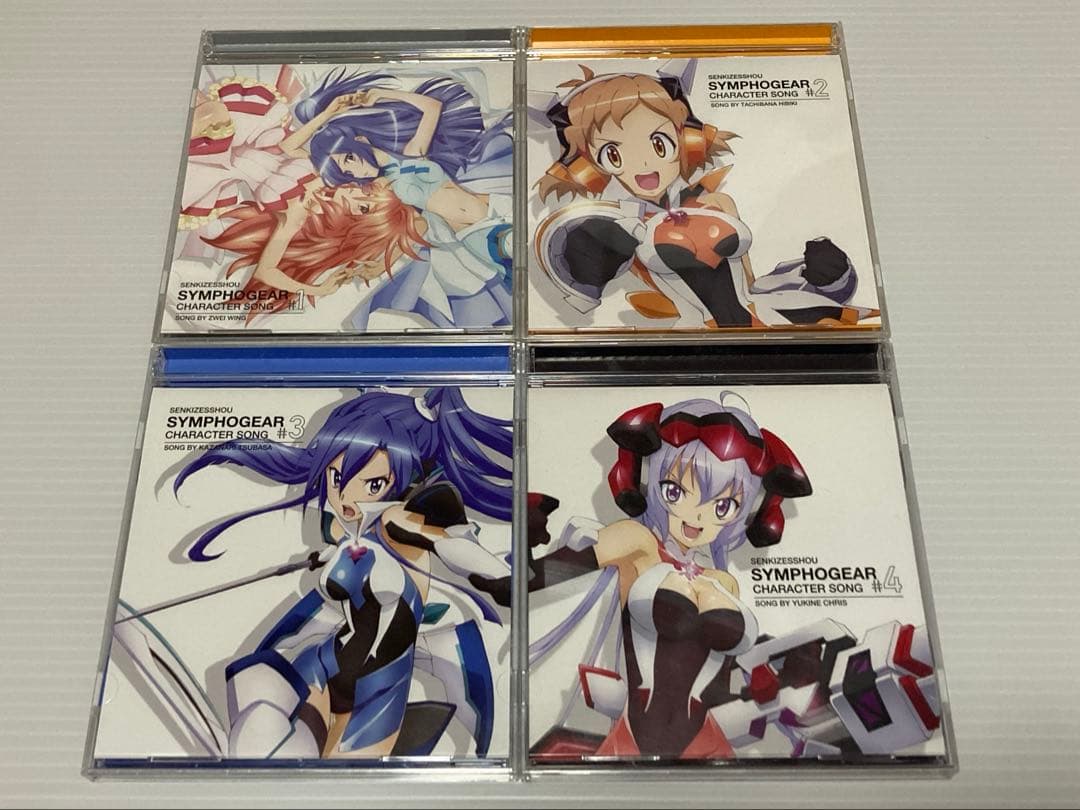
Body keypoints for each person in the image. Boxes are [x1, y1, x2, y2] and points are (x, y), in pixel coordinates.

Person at [174, 387, 513, 758]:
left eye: (373, 484)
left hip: (377, 689)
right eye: (336, 478)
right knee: (265, 716)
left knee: (332, 764)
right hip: (325, 664)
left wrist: (498, 575)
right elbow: (338, 533)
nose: (346, 498)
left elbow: (445, 543)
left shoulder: (398, 518)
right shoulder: (352, 527)